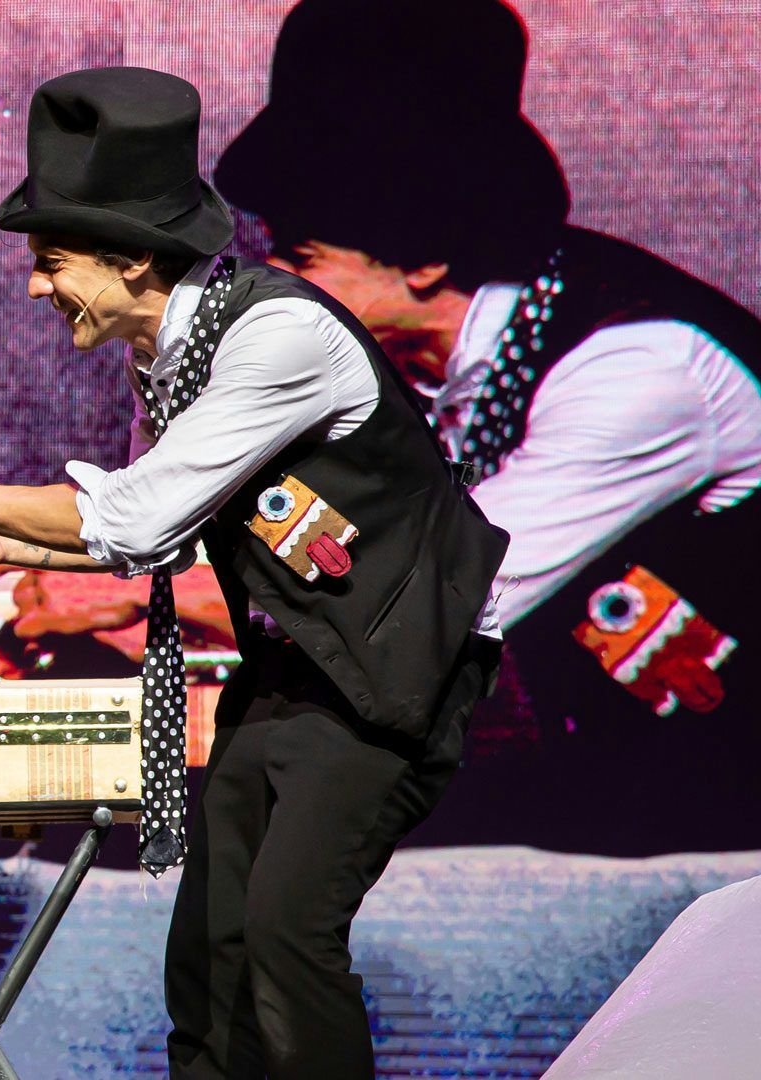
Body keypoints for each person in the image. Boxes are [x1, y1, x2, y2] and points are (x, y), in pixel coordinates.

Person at [0, 67, 507, 1080]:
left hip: (393, 670)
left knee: (288, 941)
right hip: (299, 665)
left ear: (128, 258)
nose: (34, 284)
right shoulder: (172, 345)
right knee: (211, 949)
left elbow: (143, 514)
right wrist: (0, 549)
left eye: (51, 260)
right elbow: (160, 527)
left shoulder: (278, 337)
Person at [214, 0, 761, 851]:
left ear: (425, 260)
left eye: (304, 259)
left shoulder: (641, 369)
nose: (270, 282)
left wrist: (141, 595)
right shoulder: (426, 354)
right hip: (573, 784)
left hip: (708, 837)